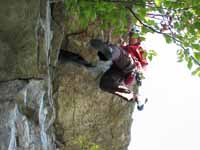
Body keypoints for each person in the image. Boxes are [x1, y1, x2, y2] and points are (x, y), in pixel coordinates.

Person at [90, 26, 148, 110]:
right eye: (130, 35)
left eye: (134, 35)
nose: (131, 37)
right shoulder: (125, 47)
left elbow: (145, 66)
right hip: (118, 69)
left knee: (119, 52)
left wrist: (140, 72)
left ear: (139, 39)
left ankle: (110, 51)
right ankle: (134, 98)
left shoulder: (140, 49)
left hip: (130, 67)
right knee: (105, 84)